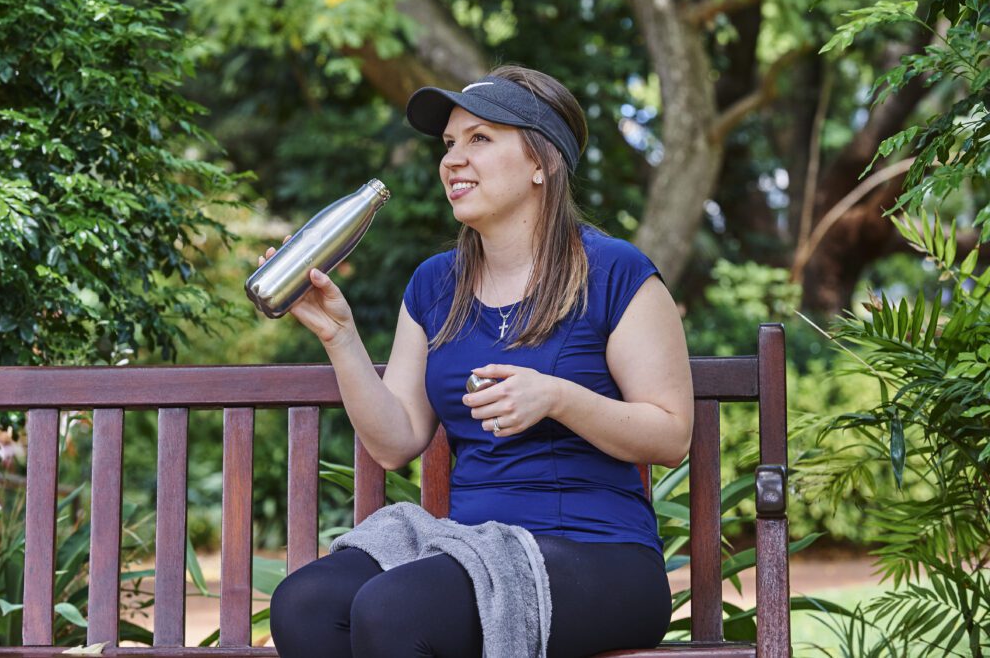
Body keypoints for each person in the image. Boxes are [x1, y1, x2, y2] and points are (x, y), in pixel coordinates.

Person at [266, 65, 694, 658]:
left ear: (541, 162)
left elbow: (672, 432)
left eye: (480, 139)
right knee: (305, 604)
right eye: (448, 144)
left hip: (602, 556)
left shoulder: (616, 273)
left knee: (396, 609)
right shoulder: (434, 285)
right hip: (471, 548)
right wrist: (340, 336)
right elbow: (396, 441)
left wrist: (557, 397)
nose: (452, 160)